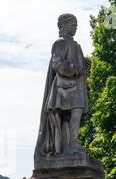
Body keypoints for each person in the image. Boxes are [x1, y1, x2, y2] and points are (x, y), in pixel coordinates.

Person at [35, 13, 91, 163]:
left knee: (76, 112)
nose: (75, 27)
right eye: (72, 24)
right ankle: (70, 146)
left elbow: (79, 66)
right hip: (63, 89)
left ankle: (72, 145)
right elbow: (57, 64)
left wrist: (85, 68)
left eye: (76, 24)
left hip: (74, 87)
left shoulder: (76, 45)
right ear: (63, 26)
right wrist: (74, 69)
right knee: (73, 112)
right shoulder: (60, 43)